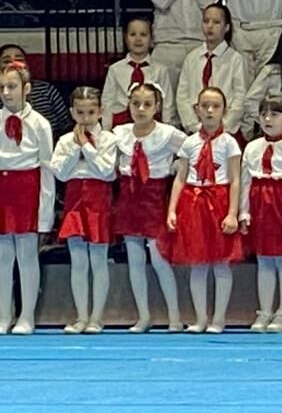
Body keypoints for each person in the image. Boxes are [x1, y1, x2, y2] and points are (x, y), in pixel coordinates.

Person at [163, 86, 245, 333]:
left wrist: (232, 213)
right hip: (194, 202)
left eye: (216, 106)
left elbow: (236, 179)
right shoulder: (189, 142)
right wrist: (172, 210)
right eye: (205, 106)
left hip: (219, 200)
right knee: (197, 263)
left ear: (224, 110)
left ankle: (218, 319)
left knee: (220, 263)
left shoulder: (229, 142)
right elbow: (180, 178)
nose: (210, 111)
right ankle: (200, 319)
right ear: (196, 109)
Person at [109, 83, 185, 333]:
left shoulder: (168, 134)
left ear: (157, 107)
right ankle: (143, 316)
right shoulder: (119, 133)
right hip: (128, 197)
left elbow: (191, 152)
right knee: (135, 260)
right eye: (136, 104)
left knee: (159, 259)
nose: (141, 109)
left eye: (147, 104)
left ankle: (175, 316)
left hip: (154, 198)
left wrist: (178, 168)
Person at [239, 93, 282, 333]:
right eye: (264, 114)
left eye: (275, 114)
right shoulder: (252, 147)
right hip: (259, 202)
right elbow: (245, 181)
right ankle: (265, 311)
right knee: (264, 259)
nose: (268, 119)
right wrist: (244, 213)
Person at [51, 87, 115, 333]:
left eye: (91, 112)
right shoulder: (65, 140)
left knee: (98, 260)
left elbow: (107, 172)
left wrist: (86, 147)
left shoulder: (108, 139)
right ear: (71, 112)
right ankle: (81, 317)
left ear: (100, 111)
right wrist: (76, 149)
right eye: (80, 112)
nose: (86, 118)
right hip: (74, 200)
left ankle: (96, 318)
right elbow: (60, 173)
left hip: (99, 201)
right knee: (78, 261)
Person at [176, 4, 249, 136]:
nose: (210, 26)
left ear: (227, 27)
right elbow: (182, 96)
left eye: (216, 22)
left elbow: (240, 97)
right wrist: (193, 125)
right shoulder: (192, 58)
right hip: (195, 131)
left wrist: (223, 126)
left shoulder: (235, 59)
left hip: (225, 131)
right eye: (206, 21)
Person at [102, 17, 177, 130]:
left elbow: (167, 103)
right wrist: (106, 130)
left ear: (151, 39)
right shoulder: (115, 69)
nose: (138, 39)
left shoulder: (160, 70)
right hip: (121, 126)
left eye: (143, 35)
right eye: (133, 34)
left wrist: (167, 128)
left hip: (152, 126)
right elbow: (108, 102)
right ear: (126, 38)